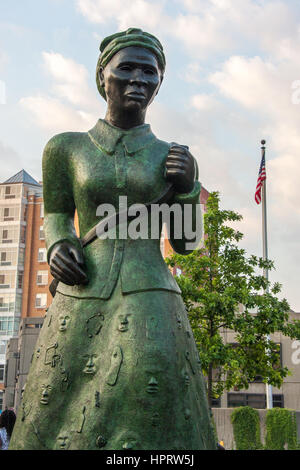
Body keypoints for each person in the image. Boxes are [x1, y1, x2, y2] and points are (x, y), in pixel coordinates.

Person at [10, 28, 216, 450]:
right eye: (128, 68)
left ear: (159, 84)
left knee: (151, 408)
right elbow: (57, 217)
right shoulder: (66, 148)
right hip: (81, 295)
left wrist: (190, 189)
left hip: (151, 299)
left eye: (150, 72)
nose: (139, 79)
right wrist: (59, 246)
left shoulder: (171, 155)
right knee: (55, 407)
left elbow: (187, 243)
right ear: (103, 75)